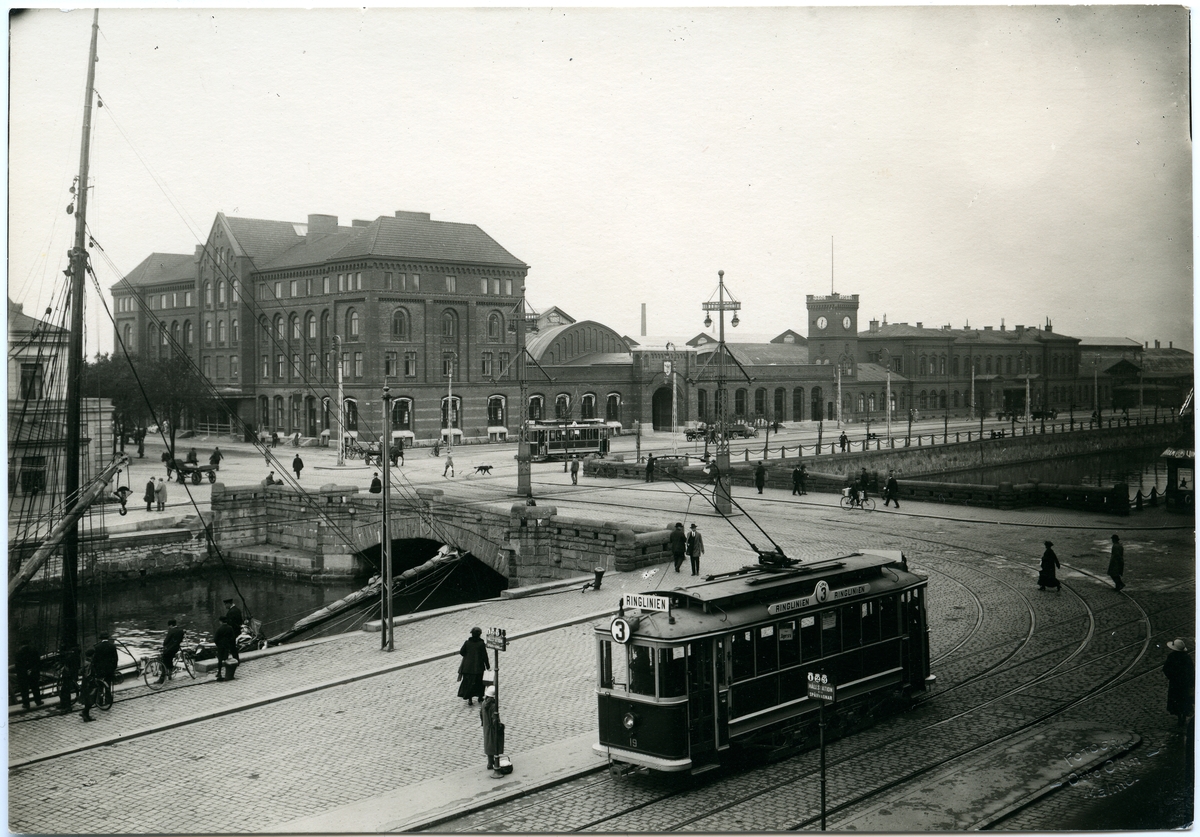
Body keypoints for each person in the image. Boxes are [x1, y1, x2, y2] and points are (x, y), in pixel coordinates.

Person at [1163, 638, 1194, 726]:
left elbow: (1166, 669)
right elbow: (1191, 671)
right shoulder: (1187, 657)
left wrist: (1171, 677)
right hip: (1185, 684)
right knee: (1184, 700)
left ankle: (1179, 717)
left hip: (1175, 683)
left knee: (1176, 700)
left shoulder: (1172, 656)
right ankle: (1183, 716)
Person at [457, 627, 491, 706]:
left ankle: (470, 699)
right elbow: (484, 656)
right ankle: (480, 697)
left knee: (469, 683)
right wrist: (487, 666)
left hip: (467, 668)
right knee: (479, 683)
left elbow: (462, 652)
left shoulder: (467, 643)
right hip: (478, 668)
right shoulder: (481, 644)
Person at [480, 685, 503, 777]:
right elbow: (495, 718)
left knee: (488, 743)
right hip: (492, 728)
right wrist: (499, 725)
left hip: (486, 726)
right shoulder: (493, 706)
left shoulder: (484, 703)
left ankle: (490, 761)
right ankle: (493, 763)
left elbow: (481, 714)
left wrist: (483, 722)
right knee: (494, 743)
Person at [91, 632, 119, 707]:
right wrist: (113, 668)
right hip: (109, 670)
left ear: (101, 639)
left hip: (100, 670)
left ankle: (100, 701)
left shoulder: (97, 647)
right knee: (108, 684)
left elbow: (95, 660)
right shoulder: (112, 646)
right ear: (108, 638)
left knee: (100, 686)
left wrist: (95, 669)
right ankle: (108, 700)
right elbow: (115, 659)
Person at [15, 635, 43, 709]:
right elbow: (38, 662)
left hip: (23, 674)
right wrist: (32, 670)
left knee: (24, 689)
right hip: (33, 672)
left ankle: (26, 704)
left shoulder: (18, 653)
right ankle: (38, 701)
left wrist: (24, 671)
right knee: (35, 687)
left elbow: (18, 665)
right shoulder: (34, 651)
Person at [159, 619, 185, 683]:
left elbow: (166, 641)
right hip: (176, 648)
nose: (168, 627)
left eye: (169, 626)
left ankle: (162, 678)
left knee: (164, 660)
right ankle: (170, 674)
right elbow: (181, 640)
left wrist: (165, 645)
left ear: (170, 625)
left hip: (170, 649)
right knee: (170, 658)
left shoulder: (171, 631)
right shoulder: (180, 630)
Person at [58, 643, 81, 714]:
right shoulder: (77, 657)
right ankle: (63, 704)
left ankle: (67, 707)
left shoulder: (70, 657)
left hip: (68, 676)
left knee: (66, 691)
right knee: (64, 691)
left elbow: (67, 665)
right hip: (71, 676)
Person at [214, 616, 238, 681]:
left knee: (220, 660)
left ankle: (219, 672)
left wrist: (218, 644)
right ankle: (227, 672)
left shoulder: (219, 629)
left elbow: (215, 639)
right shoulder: (230, 628)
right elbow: (233, 637)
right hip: (227, 645)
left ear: (220, 621)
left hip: (220, 646)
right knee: (226, 659)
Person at [79, 648, 97, 722]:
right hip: (89, 683)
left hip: (85, 682)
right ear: (92, 655)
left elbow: (81, 672)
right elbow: (88, 674)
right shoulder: (89, 664)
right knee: (91, 698)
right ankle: (85, 713)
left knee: (87, 699)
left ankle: (86, 714)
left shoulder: (85, 662)